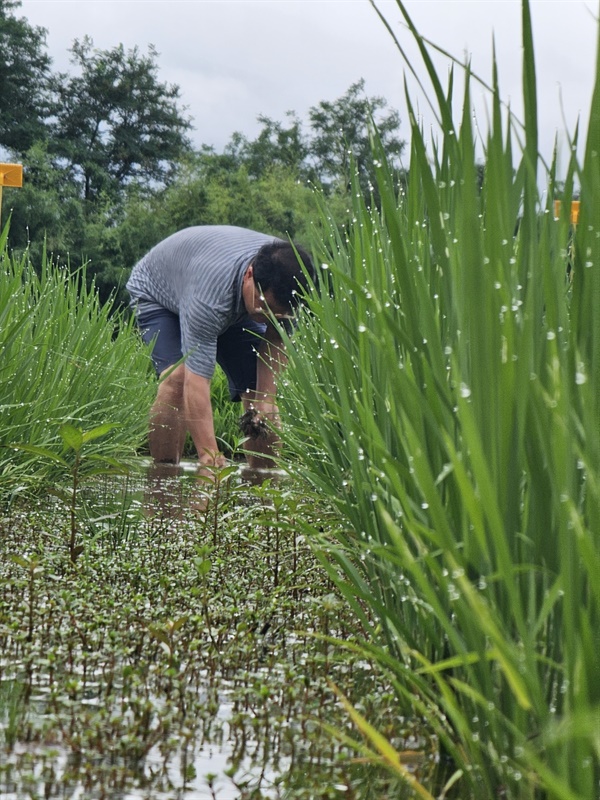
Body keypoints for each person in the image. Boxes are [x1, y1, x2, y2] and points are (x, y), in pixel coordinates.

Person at [126, 225, 316, 476]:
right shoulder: (210, 298)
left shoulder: (290, 285)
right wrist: (209, 455)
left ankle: (266, 489)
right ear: (250, 274)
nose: (266, 316)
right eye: (264, 306)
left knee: (259, 398)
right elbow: (196, 383)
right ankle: (164, 478)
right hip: (159, 294)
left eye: (276, 313)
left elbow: (275, 342)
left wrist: (265, 399)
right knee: (178, 377)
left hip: (232, 307)